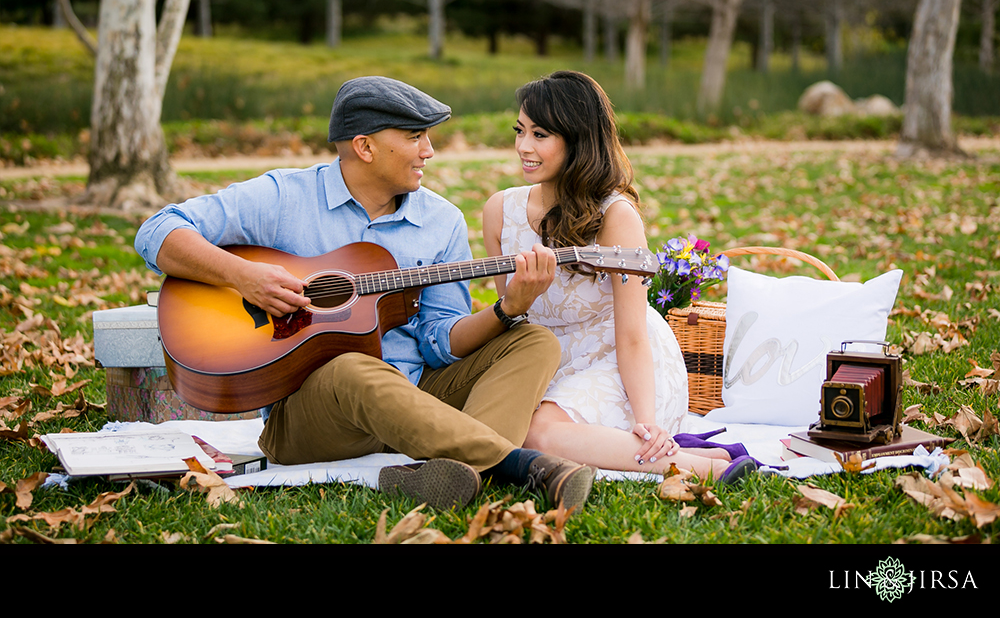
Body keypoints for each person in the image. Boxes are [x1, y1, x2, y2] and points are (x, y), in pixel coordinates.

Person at [135, 76, 598, 511]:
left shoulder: (441, 221)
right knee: (355, 367)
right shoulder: (285, 197)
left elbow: (440, 340)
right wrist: (243, 276)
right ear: (365, 146)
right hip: (313, 416)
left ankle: (438, 472)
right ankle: (521, 467)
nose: (429, 152)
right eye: (416, 137)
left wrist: (506, 309)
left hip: (419, 394)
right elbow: (158, 231)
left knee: (533, 340)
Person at [483, 71, 754, 482]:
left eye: (540, 135)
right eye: (520, 131)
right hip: (541, 359)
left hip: (618, 358)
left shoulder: (615, 216)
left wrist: (647, 421)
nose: (523, 147)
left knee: (537, 434)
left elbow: (631, 333)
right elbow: (514, 320)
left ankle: (708, 467)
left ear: (578, 140)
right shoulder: (499, 210)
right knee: (499, 431)